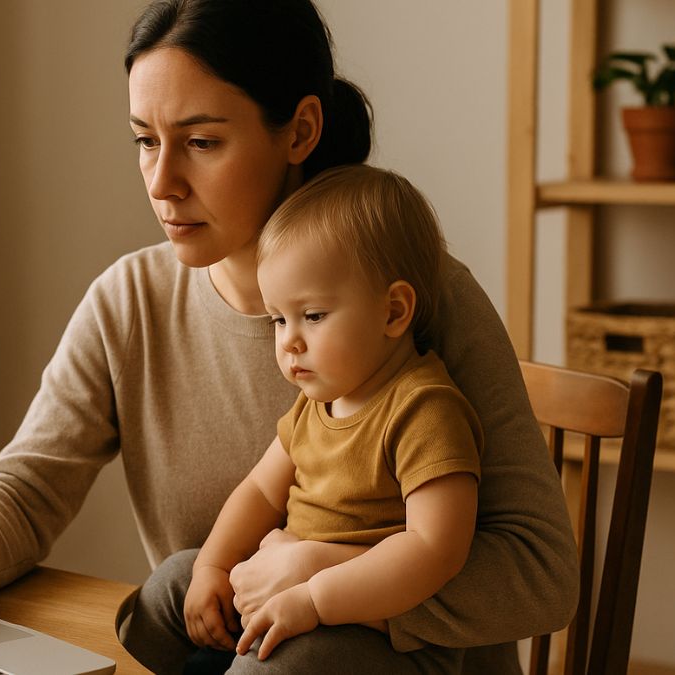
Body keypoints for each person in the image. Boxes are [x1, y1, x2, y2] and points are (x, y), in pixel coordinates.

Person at [0, 1, 579, 672]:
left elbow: (542, 576)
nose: (161, 181)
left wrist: (323, 577)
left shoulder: (418, 295)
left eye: (200, 141)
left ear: (300, 131)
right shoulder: (131, 301)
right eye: (144, 140)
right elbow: (32, 482)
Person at [178, 165, 483, 672]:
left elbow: (435, 550)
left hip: (376, 635)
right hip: (294, 601)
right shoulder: (315, 405)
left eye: (313, 316)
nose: (289, 342)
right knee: (173, 584)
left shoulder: (424, 410)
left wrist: (314, 599)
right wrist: (213, 564)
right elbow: (260, 491)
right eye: (279, 319)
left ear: (393, 312)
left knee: (268, 668)